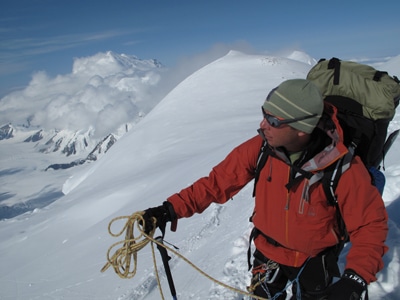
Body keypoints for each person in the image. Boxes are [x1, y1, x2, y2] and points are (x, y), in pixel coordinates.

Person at [142, 79, 388, 299]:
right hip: (267, 253)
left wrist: (355, 277)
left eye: (273, 121)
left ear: (302, 129)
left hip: (315, 259)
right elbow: (216, 183)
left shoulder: (343, 167)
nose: (262, 125)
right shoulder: (260, 149)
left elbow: (370, 225)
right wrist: (170, 209)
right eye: (264, 114)